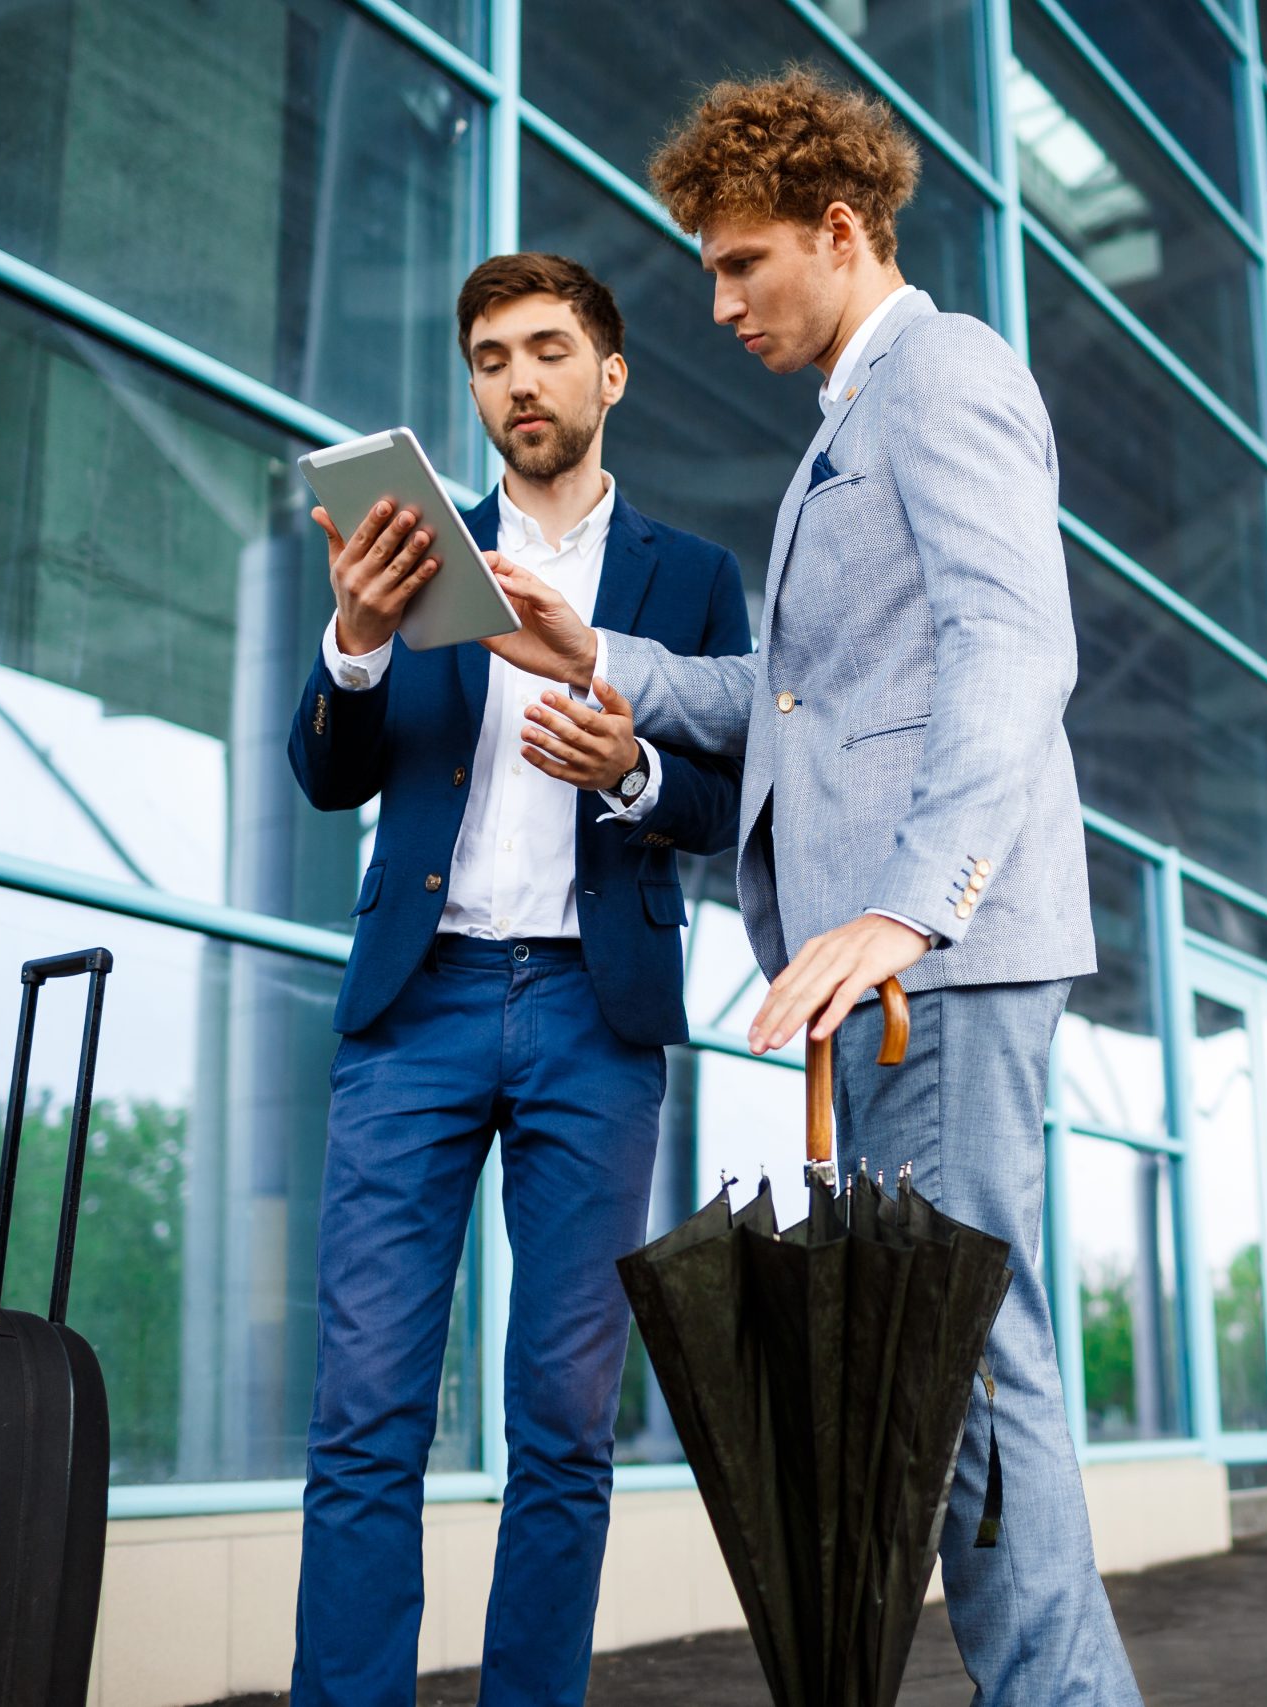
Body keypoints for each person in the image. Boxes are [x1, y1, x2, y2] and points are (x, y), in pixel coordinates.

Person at [483, 70, 1143, 1707]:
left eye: (740, 265)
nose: (715, 305)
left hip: (943, 961)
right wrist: (610, 658)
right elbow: (801, 699)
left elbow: (1016, 646)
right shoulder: (853, 423)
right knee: (963, 1361)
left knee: (968, 1365)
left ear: (839, 233)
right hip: (899, 972)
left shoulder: (940, 376)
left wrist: (912, 905)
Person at [286, 251, 750, 1707]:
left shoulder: (691, 579)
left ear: (609, 376)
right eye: (491, 358)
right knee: (366, 1409)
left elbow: (741, 806)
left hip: (591, 1020)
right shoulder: (416, 553)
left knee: (562, 1421)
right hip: (414, 1011)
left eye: (548, 350)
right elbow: (326, 773)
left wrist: (639, 771)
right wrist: (355, 648)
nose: (518, 380)